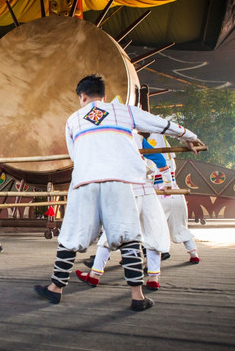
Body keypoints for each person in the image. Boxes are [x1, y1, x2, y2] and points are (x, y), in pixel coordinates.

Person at [33, 75, 204, 311]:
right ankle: (137, 296)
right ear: (103, 94)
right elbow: (160, 124)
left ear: (82, 97)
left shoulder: (73, 119)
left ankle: (56, 288)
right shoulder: (124, 111)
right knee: (129, 236)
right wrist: (190, 137)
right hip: (119, 181)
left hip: (85, 181)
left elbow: (74, 156)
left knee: (71, 234)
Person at [75, 133, 171, 291]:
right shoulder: (136, 136)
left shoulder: (103, 137)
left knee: (110, 231)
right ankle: (153, 277)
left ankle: (94, 275)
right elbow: (159, 159)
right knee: (153, 231)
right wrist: (168, 182)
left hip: (125, 191)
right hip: (146, 190)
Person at [148, 133, 201, 264]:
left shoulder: (150, 160)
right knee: (181, 226)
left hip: (159, 194)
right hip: (176, 192)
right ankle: (193, 253)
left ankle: (155, 260)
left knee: (154, 228)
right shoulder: (171, 161)